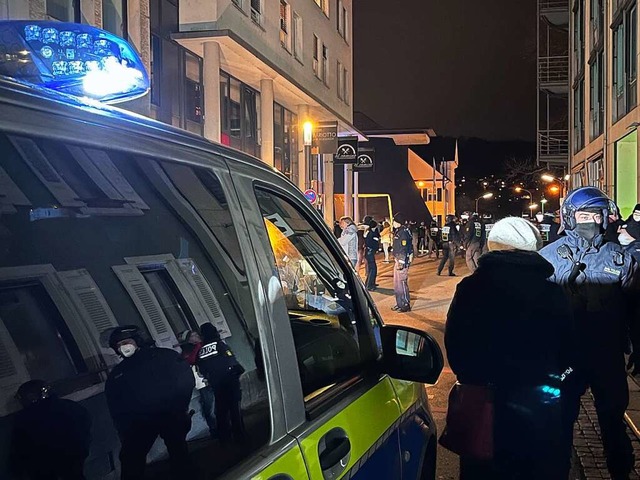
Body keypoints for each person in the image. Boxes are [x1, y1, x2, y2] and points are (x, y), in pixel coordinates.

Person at [445, 217, 574, 479]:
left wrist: (473, 378)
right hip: (538, 404)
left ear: (493, 246)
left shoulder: (471, 288)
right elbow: (569, 349)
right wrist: (557, 379)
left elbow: (456, 346)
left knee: (482, 470)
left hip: (484, 403)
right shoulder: (552, 292)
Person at [539, 187, 639, 480]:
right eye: (583, 215)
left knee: (613, 422)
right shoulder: (548, 259)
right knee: (559, 422)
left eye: (595, 215)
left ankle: (620, 472)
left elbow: (635, 307)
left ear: (604, 219)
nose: (589, 221)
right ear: (570, 218)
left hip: (607, 357)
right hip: (564, 359)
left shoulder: (621, 259)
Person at [105, 325, 195, 480]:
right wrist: (124, 428)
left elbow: (185, 379)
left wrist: (180, 407)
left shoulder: (164, 356)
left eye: (125, 342)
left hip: (170, 414)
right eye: (118, 346)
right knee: (130, 459)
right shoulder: (118, 373)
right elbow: (115, 402)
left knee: (179, 452)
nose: (123, 347)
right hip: (141, 423)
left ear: (138, 341)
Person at [10, 380, 92, 480]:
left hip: (44, 469)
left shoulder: (24, 419)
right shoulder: (69, 406)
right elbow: (86, 421)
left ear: (29, 397)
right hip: (74, 460)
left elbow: (19, 448)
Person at [196, 323, 245, 443]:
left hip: (216, 384)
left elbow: (201, 371)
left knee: (221, 410)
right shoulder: (220, 345)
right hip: (229, 381)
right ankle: (239, 435)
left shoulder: (201, 351)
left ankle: (224, 437)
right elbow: (232, 361)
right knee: (234, 409)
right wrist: (239, 371)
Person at [179, 329, 217, 439]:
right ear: (189, 340)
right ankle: (214, 429)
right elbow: (191, 359)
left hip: (211, 378)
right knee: (209, 407)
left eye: (196, 334)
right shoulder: (187, 351)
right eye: (193, 336)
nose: (197, 336)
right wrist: (198, 346)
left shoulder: (203, 345)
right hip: (202, 383)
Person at [391, 213, 413, 312]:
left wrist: (401, 261)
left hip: (401, 260)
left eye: (394, 221)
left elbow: (404, 248)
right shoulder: (399, 231)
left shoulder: (403, 232)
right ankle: (399, 303)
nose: (393, 223)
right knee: (397, 284)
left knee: (402, 283)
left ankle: (405, 304)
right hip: (398, 259)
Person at [364, 219, 380, 291]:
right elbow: (369, 242)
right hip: (369, 252)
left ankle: (370, 283)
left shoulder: (372, 232)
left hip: (370, 252)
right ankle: (369, 285)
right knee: (372, 269)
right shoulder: (370, 233)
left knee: (372, 269)